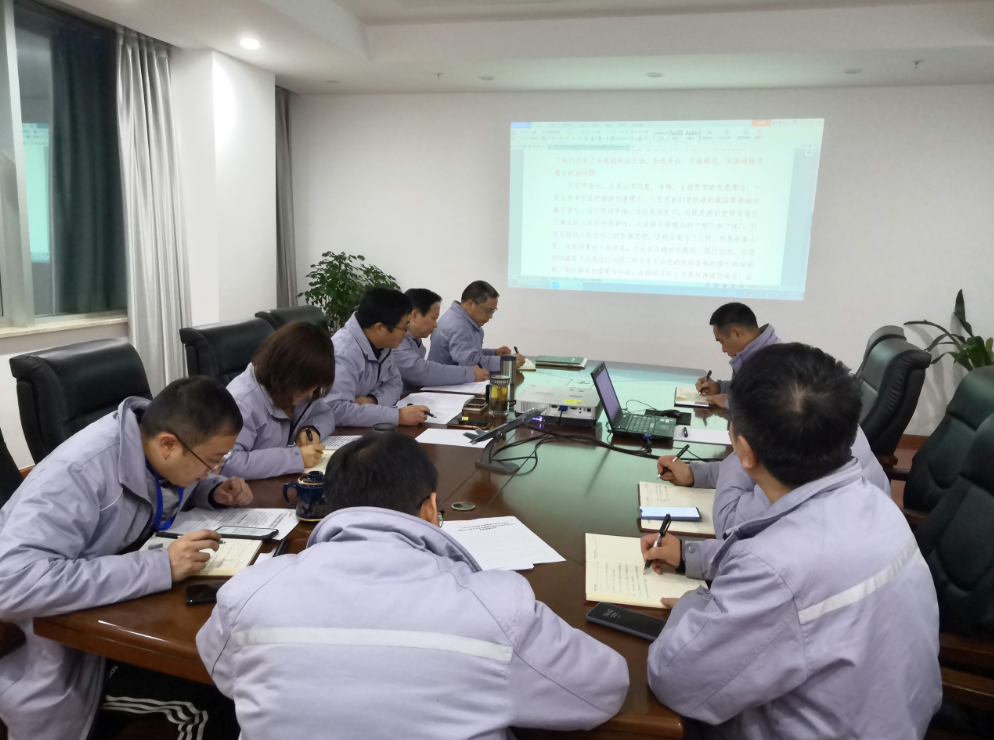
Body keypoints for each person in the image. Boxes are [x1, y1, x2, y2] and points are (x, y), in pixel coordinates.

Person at [198, 432, 630, 738]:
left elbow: (224, 671)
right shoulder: (496, 609)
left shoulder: (248, 593)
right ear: (430, 508)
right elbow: (603, 689)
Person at [643, 344, 941, 739]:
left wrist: (691, 603)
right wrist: (691, 555)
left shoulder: (777, 568)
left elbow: (674, 678)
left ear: (743, 450)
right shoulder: (876, 505)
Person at [0, 377, 254, 740]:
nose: (214, 470)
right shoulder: (75, 475)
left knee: (231, 668)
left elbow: (165, 488)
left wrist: (212, 491)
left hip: (119, 613)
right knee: (217, 696)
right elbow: (12, 582)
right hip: (67, 656)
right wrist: (161, 566)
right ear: (168, 445)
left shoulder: (153, 441)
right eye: (212, 462)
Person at [224, 321, 337, 479]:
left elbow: (324, 414)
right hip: (249, 490)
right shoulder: (241, 402)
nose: (311, 392)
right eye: (308, 386)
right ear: (286, 373)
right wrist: (295, 458)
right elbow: (227, 463)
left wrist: (310, 429)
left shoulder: (296, 387)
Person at [327, 287, 430, 427]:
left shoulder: (383, 344)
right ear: (379, 328)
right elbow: (334, 410)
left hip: (363, 424)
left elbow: (395, 384)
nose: (406, 334)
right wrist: (397, 416)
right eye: (404, 328)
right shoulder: (342, 353)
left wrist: (372, 400)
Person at [395, 288, 489, 394]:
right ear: (415, 315)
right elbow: (421, 371)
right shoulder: (395, 342)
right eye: (433, 318)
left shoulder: (415, 340)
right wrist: (469, 373)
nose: (436, 325)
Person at [695, 302, 779, 408]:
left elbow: (768, 406)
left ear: (736, 333)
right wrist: (719, 388)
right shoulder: (756, 351)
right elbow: (748, 388)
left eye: (722, 342)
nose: (723, 349)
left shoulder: (774, 359)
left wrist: (730, 402)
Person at [428, 280, 524, 373]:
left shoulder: (457, 317)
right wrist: (507, 362)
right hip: (444, 382)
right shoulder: (458, 326)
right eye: (488, 310)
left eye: (493, 311)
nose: (490, 316)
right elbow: (470, 362)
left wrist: (494, 353)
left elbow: (466, 352)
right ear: (470, 304)